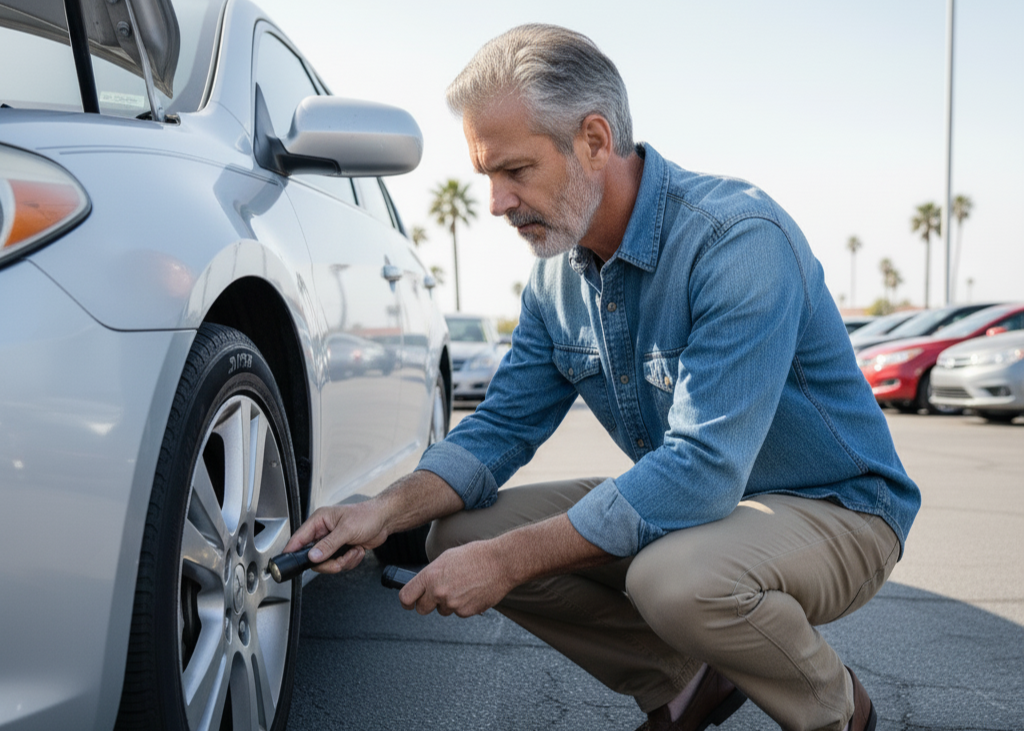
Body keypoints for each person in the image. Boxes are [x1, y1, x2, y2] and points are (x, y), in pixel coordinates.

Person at [285, 23, 920, 731]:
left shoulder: (736, 241)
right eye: (486, 177)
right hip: (701, 512)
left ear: (594, 139)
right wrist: (384, 510)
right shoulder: (554, 280)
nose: (496, 202)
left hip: (838, 509)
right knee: (455, 533)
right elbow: (499, 428)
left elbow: (704, 469)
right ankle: (683, 683)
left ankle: (837, 711)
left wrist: (510, 559)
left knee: (671, 580)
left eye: (515, 170)